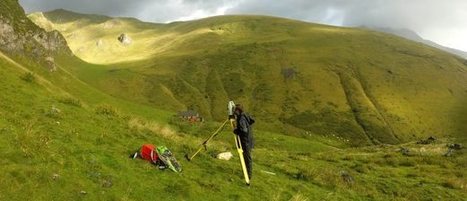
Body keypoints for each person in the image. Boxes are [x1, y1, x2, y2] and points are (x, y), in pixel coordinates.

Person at [233, 104, 255, 179]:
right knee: (246, 158)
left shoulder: (241, 118)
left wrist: (237, 131)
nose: (234, 112)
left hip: (246, 142)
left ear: (238, 110)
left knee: (247, 159)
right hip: (248, 140)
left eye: (235, 110)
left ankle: (248, 175)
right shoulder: (245, 116)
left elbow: (244, 131)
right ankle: (246, 173)